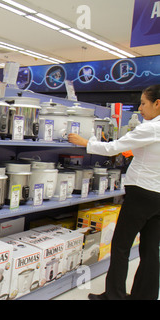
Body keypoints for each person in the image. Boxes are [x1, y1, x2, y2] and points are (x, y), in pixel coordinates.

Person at [68, 84, 160, 300]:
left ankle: (114, 296)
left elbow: (112, 148)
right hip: (158, 196)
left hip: (142, 193)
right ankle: (144, 297)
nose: (140, 108)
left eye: (144, 103)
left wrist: (86, 142)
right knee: (151, 249)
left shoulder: (151, 128)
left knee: (120, 245)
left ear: (158, 103)